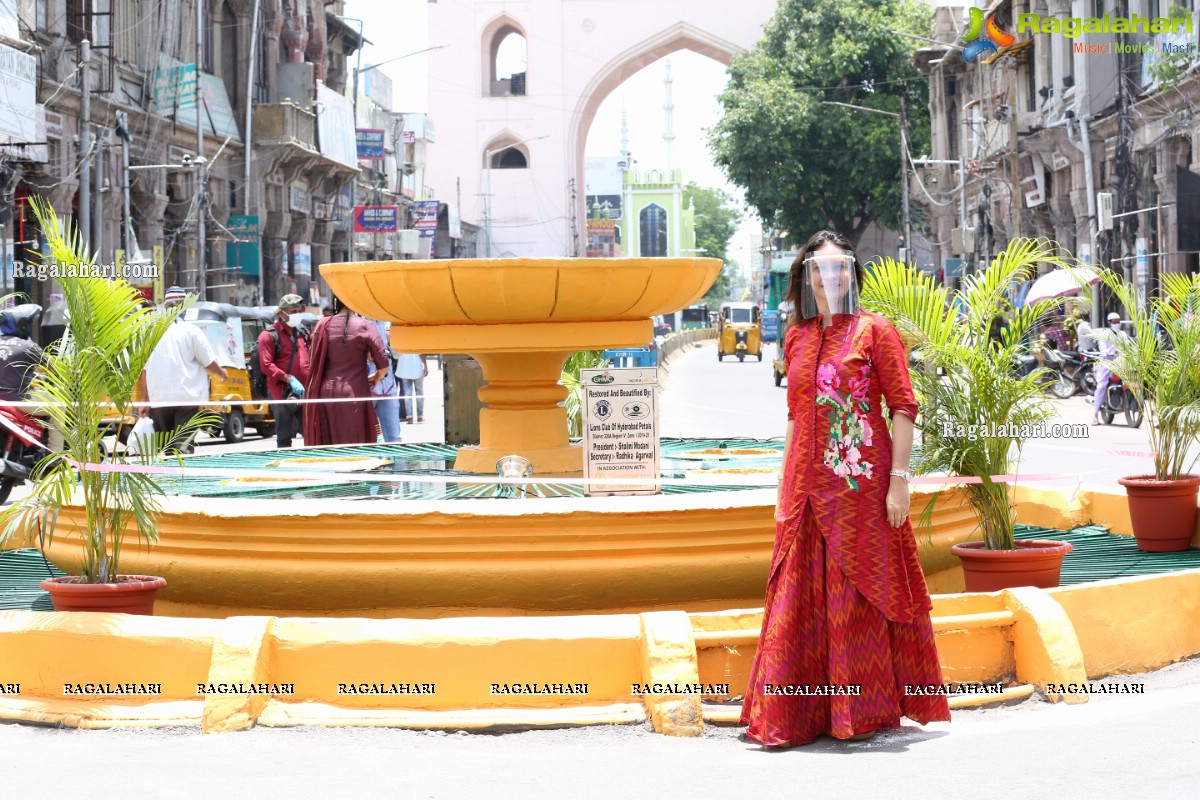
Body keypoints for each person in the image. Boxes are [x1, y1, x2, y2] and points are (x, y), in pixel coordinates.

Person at [739, 230, 950, 748]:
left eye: (837, 269)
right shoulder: (797, 336)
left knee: (857, 596)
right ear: (806, 277)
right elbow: (795, 416)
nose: (827, 277)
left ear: (851, 275)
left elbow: (903, 407)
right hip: (805, 491)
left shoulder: (874, 332)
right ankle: (796, 714)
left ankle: (860, 710)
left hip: (860, 489)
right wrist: (782, 484)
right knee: (795, 598)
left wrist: (899, 483)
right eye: (818, 269)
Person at [138, 287, 228, 454]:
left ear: (165, 307)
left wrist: (144, 400)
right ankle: (181, 478)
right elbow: (208, 362)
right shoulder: (191, 331)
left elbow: (144, 370)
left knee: (167, 449)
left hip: (159, 400)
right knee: (182, 448)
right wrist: (222, 373)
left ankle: (170, 478)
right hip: (187, 399)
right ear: (184, 307)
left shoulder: (150, 333)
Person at [302, 294, 391, 445]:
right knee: (355, 443)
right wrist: (377, 376)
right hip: (355, 392)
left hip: (326, 393)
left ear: (336, 302)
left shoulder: (323, 325)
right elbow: (383, 364)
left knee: (329, 444)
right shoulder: (365, 325)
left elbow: (312, 360)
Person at [257, 293, 312, 448]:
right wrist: (289, 379)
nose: (297, 314)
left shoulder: (303, 332)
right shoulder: (268, 336)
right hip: (281, 392)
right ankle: (286, 468)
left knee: (310, 433)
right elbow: (266, 365)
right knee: (284, 435)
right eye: (293, 311)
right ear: (282, 313)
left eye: (299, 311)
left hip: (304, 392)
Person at [367, 317, 402, 443]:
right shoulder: (359, 319)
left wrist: (391, 341)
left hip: (389, 386)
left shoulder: (389, 320)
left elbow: (398, 354)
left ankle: (396, 463)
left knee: (394, 438)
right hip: (367, 386)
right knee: (368, 439)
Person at [0, 304, 45, 403]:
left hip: (2, 404)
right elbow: (54, 370)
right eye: (28, 324)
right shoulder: (28, 346)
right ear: (22, 325)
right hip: (17, 401)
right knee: (54, 412)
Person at [1092, 312, 1123, 425]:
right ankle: (1095, 415)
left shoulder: (1122, 334)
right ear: (1109, 322)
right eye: (1115, 322)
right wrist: (1109, 352)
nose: (1117, 324)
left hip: (1120, 363)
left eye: (1118, 321)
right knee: (1101, 386)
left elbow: (1128, 344)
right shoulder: (1104, 335)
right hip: (1107, 363)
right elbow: (1103, 348)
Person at [395, 350, 429, 423]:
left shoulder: (400, 342)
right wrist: (426, 366)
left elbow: (395, 355)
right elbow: (422, 354)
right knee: (419, 393)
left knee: (407, 394)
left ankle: (409, 416)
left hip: (405, 370)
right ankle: (420, 416)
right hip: (417, 369)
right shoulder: (416, 340)